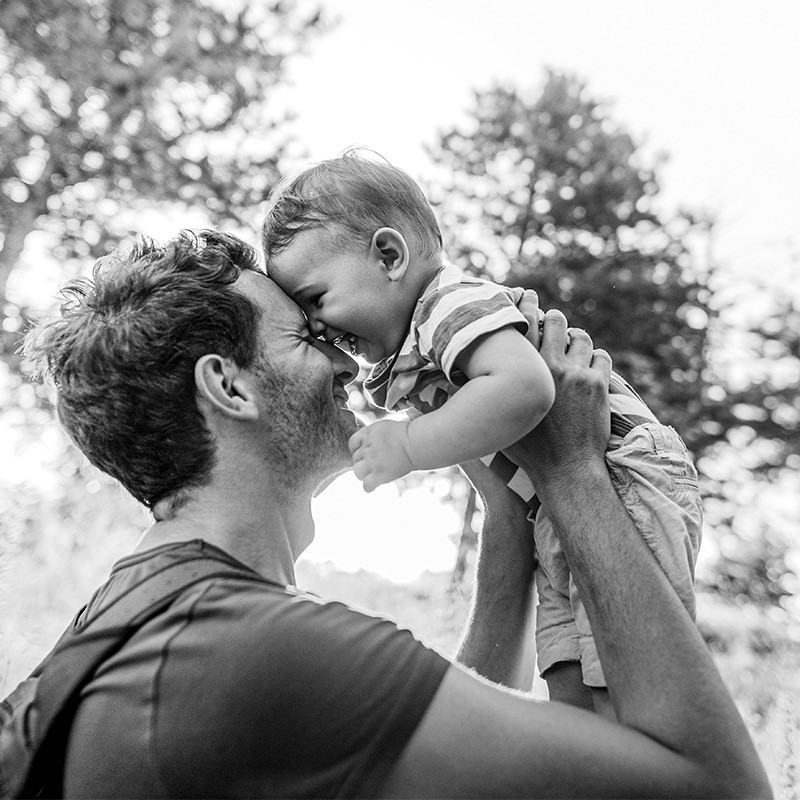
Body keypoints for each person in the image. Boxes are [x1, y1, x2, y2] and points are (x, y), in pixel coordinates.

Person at [22, 230, 770, 798]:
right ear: (228, 387)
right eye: (311, 335)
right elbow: (717, 787)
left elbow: (434, 738)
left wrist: (509, 514)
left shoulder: (136, 617)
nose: (351, 364)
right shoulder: (257, 648)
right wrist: (573, 471)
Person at [262, 151, 703, 716]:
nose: (318, 327)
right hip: (557, 497)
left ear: (389, 255)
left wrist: (408, 445)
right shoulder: (414, 349)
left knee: (631, 678)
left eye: (316, 300)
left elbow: (526, 388)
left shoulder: (449, 305)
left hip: (624, 471)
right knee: (569, 679)